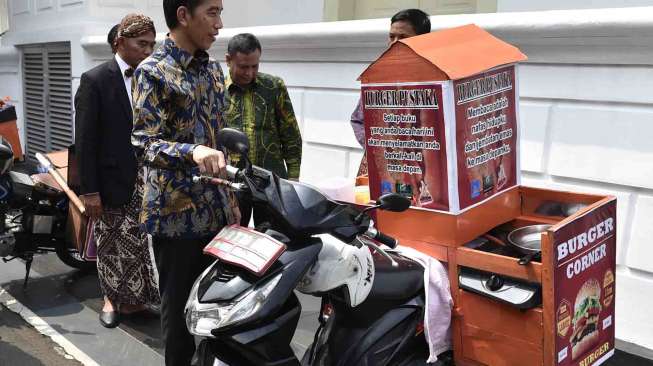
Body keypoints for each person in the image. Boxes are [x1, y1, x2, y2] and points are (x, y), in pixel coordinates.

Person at [131, 1, 239, 365]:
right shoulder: (153, 71)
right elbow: (143, 142)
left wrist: (232, 197)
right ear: (182, 15)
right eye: (211, 12)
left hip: (218, 213)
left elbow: (218, 136)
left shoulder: (212, 72)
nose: (219, 24)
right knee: (179, 322)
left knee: (219, 312)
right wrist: (191, 152)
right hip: (176, 220)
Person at [74, 14, 159, 329]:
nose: (147, 51)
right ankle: (110, 299)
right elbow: (84, 141)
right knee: (110, 243)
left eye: (152, 45)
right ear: (120, 42)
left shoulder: (151, 77)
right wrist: (90, 191)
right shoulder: (96, 80)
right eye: (142, 44)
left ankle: (135, 302)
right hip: (109, 182)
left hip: (144, 182)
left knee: (137, 244)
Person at [223, 33, 302, 227]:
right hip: (233, 183)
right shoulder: (216, 91)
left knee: (274, 240)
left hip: (271, 182)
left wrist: (293, 178)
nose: (249, 73)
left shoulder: (274, 86)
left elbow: (290, 133)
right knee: (234, 240)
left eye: (254, 66)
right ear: (228, 60)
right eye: (243, 67)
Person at [350, 9, 431, 175]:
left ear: (423, 39)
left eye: (403, 37)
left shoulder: (436, 78)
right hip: (380, 164)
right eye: (391, 36)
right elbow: (358, 120)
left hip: (421, 168)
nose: (394, 42)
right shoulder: (379, 75)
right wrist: (378, 147)